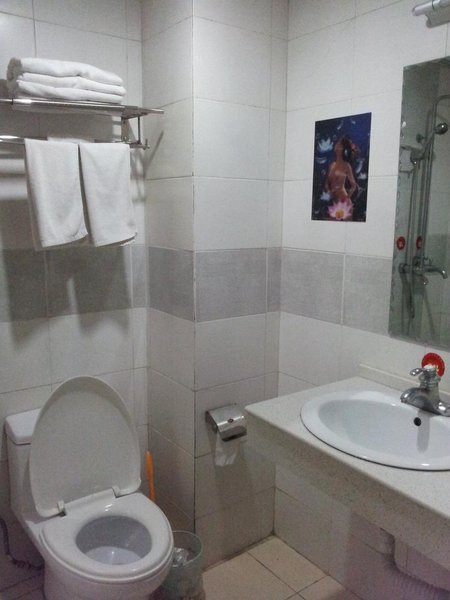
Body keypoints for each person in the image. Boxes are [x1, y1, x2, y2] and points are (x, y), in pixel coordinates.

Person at [324, 135, 358, 221]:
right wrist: (329, 191)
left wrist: (347, 198)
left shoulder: (346, 165)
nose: (336, 145)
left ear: (342, 149)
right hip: (334, 202)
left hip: (344, 203)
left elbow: (354, 185)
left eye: (338, 144)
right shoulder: (332, 165)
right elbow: (327, 182)